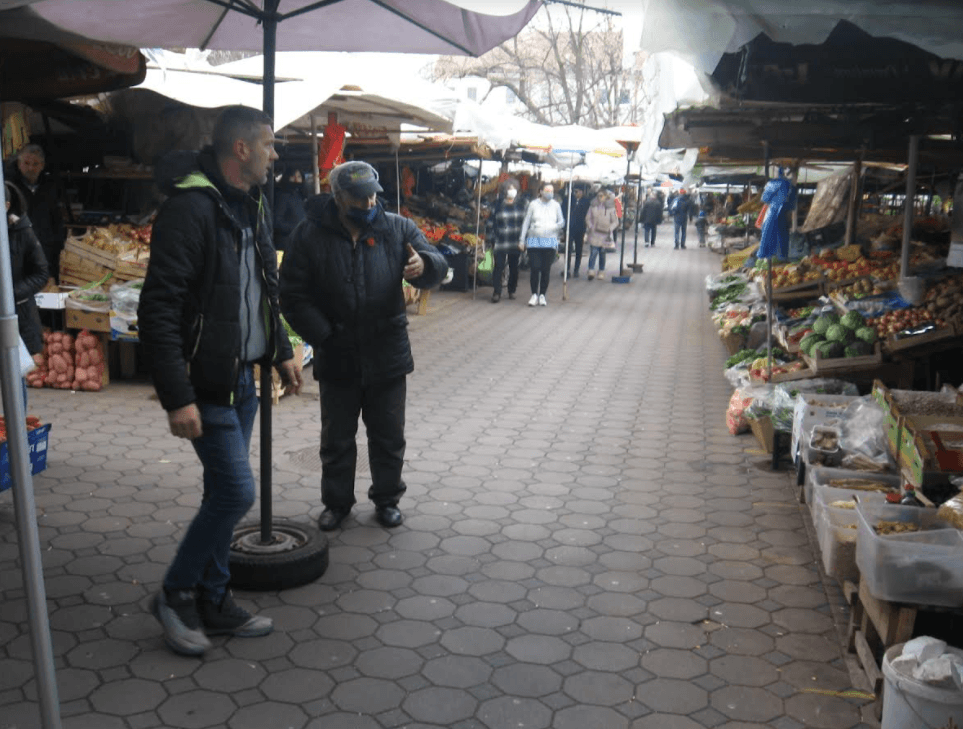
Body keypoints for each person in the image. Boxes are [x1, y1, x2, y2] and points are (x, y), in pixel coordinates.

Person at [138, 105, 303, 657]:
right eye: (270, 145)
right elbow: (158, 308)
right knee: (236, 490)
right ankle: (175, 592)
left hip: (244, 380)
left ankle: (213, 597)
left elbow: (264, 286)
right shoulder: (191, 209)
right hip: (204, 383)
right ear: (241, 150)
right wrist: (175, 396)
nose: (275, 155)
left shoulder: (249, 203)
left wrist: (280, 348)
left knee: (220, 492)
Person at [279, 161, 447, 532]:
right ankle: (337, 503)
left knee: (388, 436)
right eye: (358, 197)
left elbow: (438, 262)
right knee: (336, 439)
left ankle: (387, 499)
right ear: (338, 197)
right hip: (336, 353)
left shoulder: (397, 228)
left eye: (373, 195)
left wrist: (426, 264)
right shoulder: (309, 234)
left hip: (387, 352)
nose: (368, 202)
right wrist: (324, 335)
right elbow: (291, 294)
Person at [5, 181, 48, 407]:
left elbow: (41, 273)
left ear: (6, 205)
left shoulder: (22, 232)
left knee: (14, 379)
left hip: (17, 315)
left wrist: (10, 294)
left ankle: (17, 434)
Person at [5, 144, 63, 282]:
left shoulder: (49, 187)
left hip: (44, 251)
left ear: (42, 165)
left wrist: (57, 248)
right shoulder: (9, 187)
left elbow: (57, 221)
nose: (31, 168)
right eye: (26, 163)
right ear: (19, 163)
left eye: (35, 164)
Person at [519, 181, 564, 306]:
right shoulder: (533, 204)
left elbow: (562, 222)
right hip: (534, 241)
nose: (550, 193)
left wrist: (553, 227)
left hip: (549, 242)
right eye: (547, 190)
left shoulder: (556, 205)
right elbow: (526, 222)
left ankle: (543, 294)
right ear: (541, 191)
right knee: (535, 268)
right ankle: (534, 294)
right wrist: (522, 240)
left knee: (545, 269)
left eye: (552, 191)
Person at [486, 183, 525, 302]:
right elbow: (490, 223)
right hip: (500, 240)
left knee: (514, 267)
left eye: (513, 189)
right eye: (509, 188)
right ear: (504, 191)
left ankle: (511, 290)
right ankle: (496, 292)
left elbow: (525, 223)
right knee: (499, 266)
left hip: (516, 241)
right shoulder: (497, 205)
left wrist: (524, 240)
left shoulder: (521, 205)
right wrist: (490, 239)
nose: (511, 191)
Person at [584, 189, 618, 280]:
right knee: (593, 252)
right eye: (599, 195)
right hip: (594, 233)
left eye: (602, 196)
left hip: (605, 235)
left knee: (602, 253)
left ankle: (601, 271)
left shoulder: (611, 209)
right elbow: (588, 218)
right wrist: (591, 227)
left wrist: (609, 229)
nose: (600, 198)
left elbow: (615, 222)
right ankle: (591, 270)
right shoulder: (593, 207)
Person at [273, 167, 307, 251]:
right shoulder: (282, 196)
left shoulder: (301, 196)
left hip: (299, 243)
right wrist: (296, 228)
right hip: (285, 244)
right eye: (292, 176)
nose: (296, 179)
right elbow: (276, 222)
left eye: (299, 177)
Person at [562, 185, 591, 278]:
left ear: (582, 192)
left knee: (579, 249)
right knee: (568, 249)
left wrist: (586, 228)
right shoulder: (568, 199)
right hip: (569, 227)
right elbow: (563, 212)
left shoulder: (586, 201)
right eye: (574, 191)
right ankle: (567, 269)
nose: (576, 193)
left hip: (580, 228)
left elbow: (588, 215)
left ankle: (576, 270)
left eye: (577, 191)